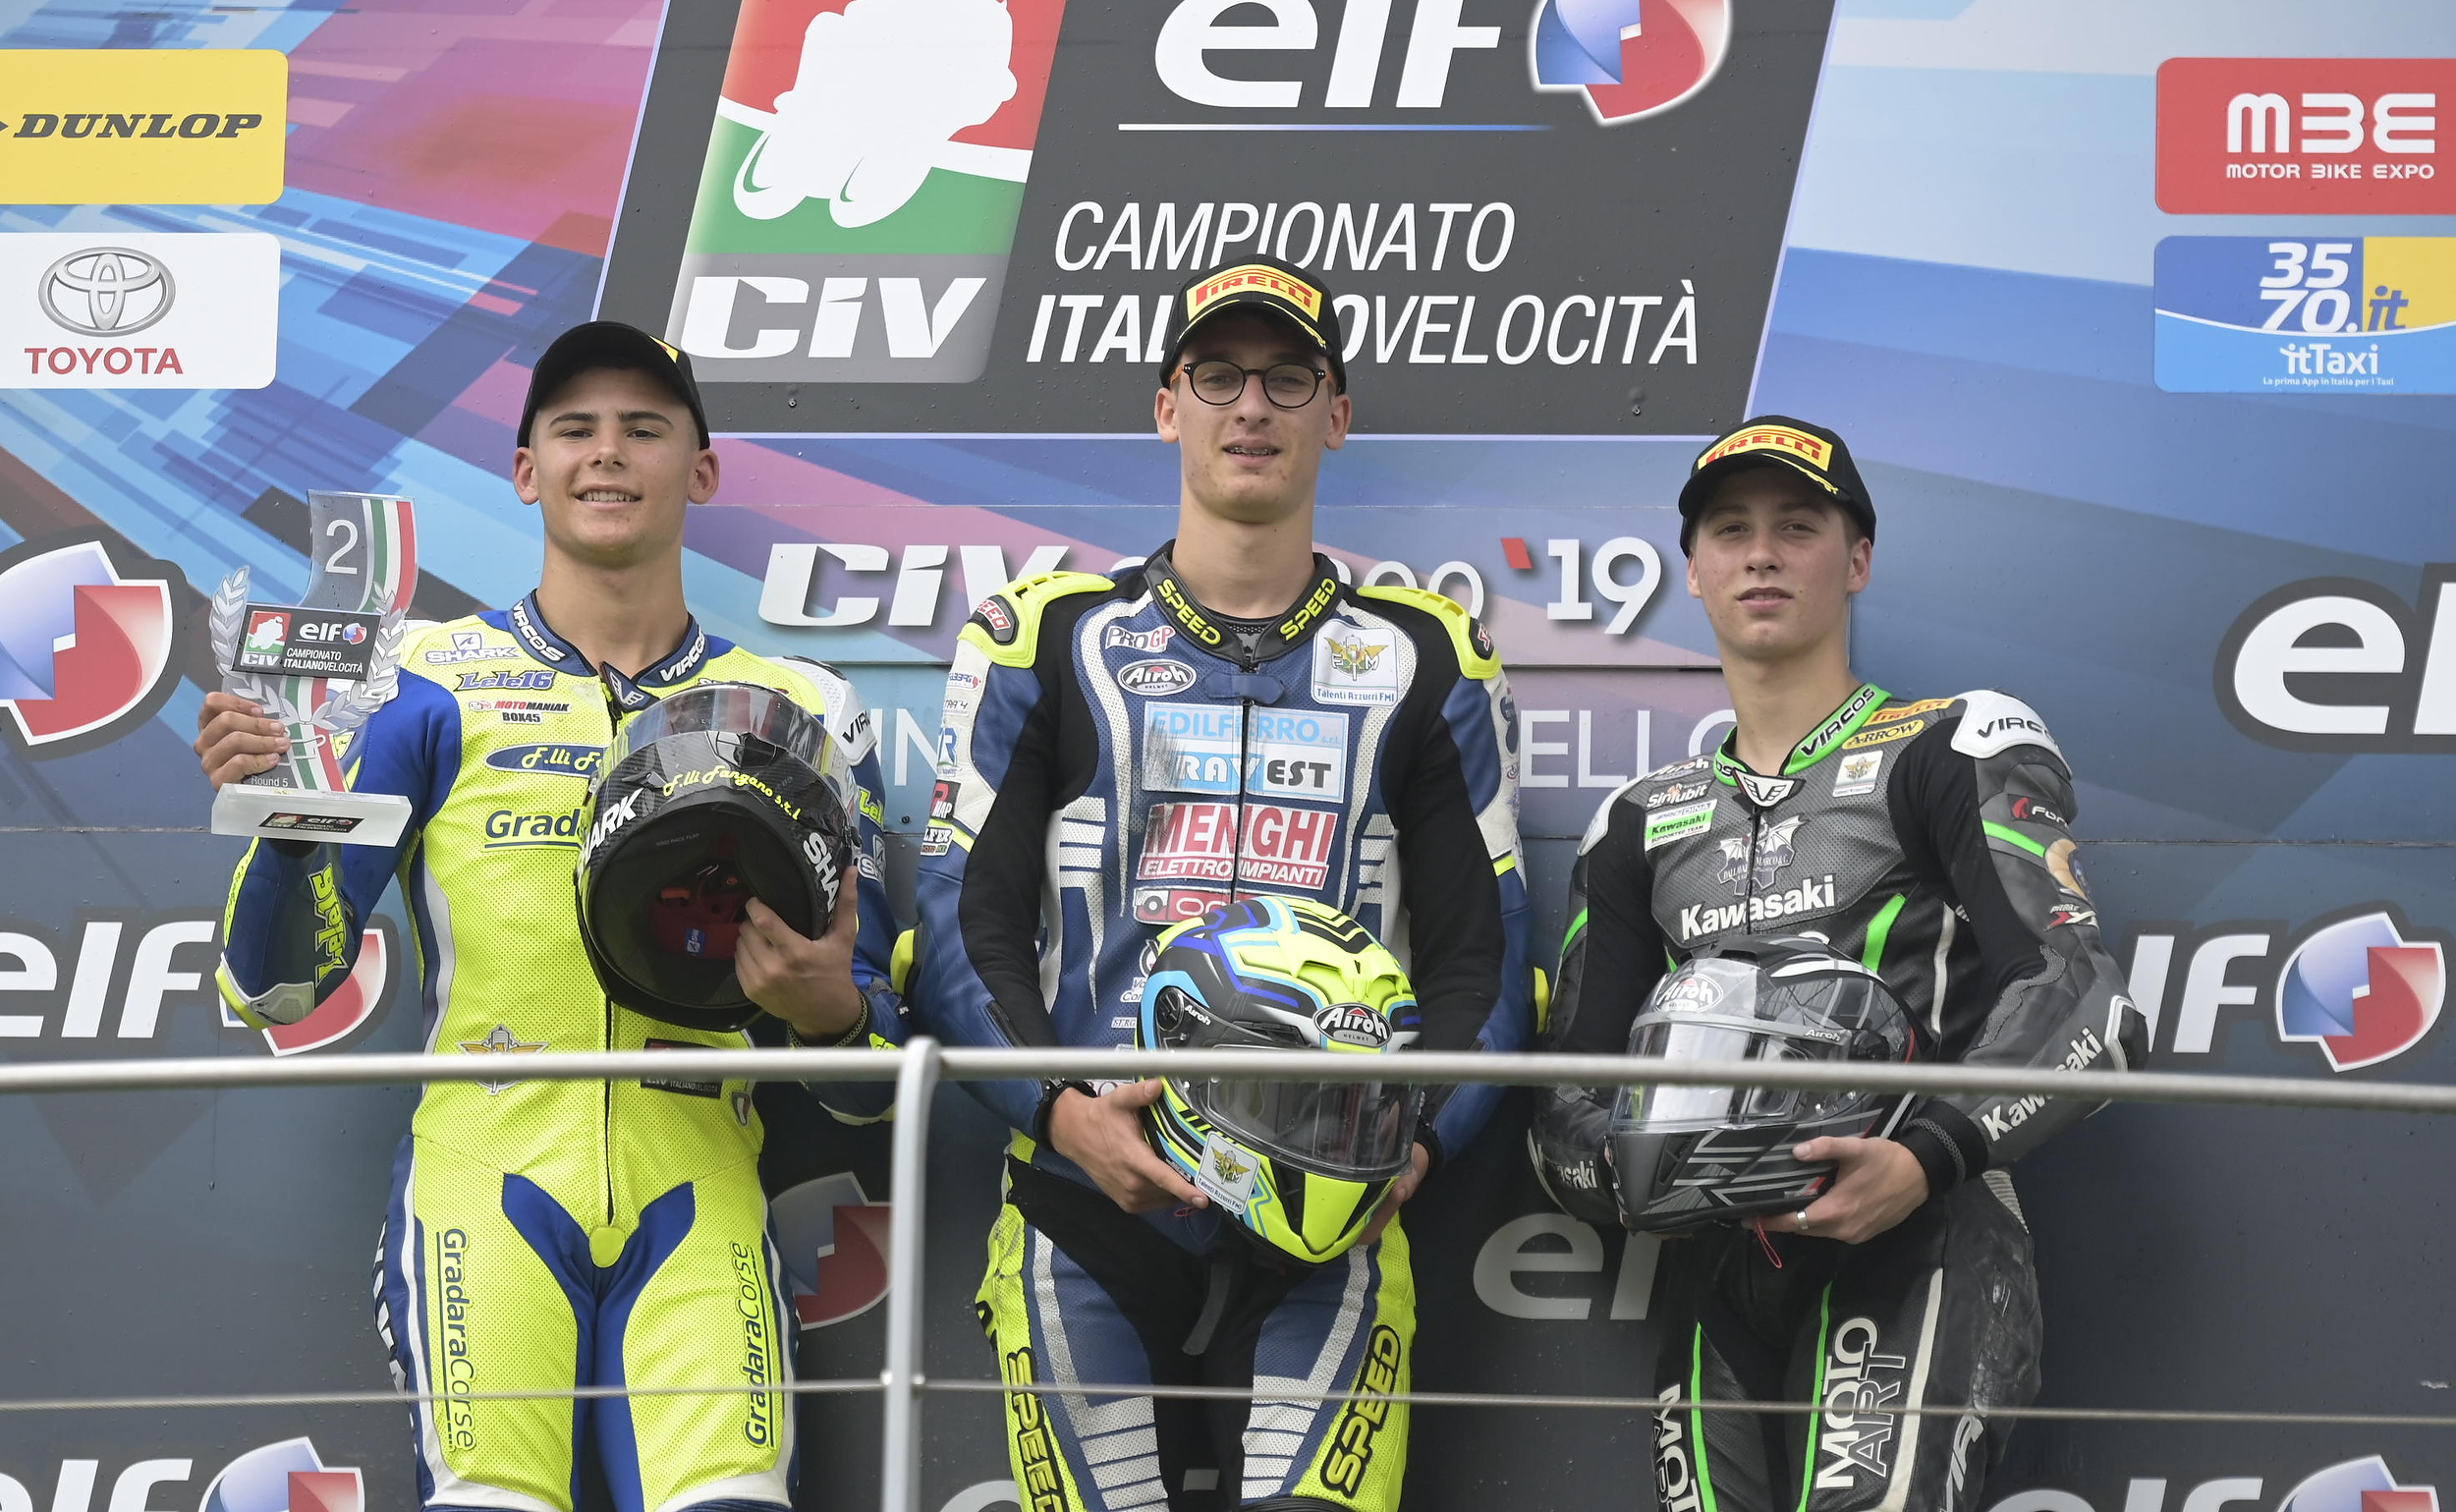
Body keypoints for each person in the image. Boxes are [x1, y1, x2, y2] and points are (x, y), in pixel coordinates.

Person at [195, 321, 903, 1512]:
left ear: (702, 470)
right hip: (483, 1178)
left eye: (643, 427)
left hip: (703, 1186)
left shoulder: (804, 708)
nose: (606, 452)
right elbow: (275, 987)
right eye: (574, 428)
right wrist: (287, 829)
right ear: (526, 471)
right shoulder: (420, 682)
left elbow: (871, 1084)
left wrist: (830, 1012)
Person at [910, 254, 1533, 1512]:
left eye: (1288, 378)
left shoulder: (1425, 655)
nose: (1251, 405)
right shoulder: (1044, 635)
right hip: (1087, 1196)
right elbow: (959, 921)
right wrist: (1058, 1110)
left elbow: (1490, 954)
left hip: (1336, 1207)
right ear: (1166, 406)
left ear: (1335, 415)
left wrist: (1413, 1145)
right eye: (1216, 376)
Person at [1530, 418, 2145, 1512]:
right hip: (1716, 1267)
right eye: (1731, 530)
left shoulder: (1950, 743)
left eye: (1798, 527)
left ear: (1856, 559)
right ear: (1693, 570)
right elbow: (1561, 1098)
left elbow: (2083, 998)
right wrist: (1631, 1178)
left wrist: (1922, 1156)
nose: (1762, 554)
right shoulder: (1637, 819)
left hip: (1917, 1235)